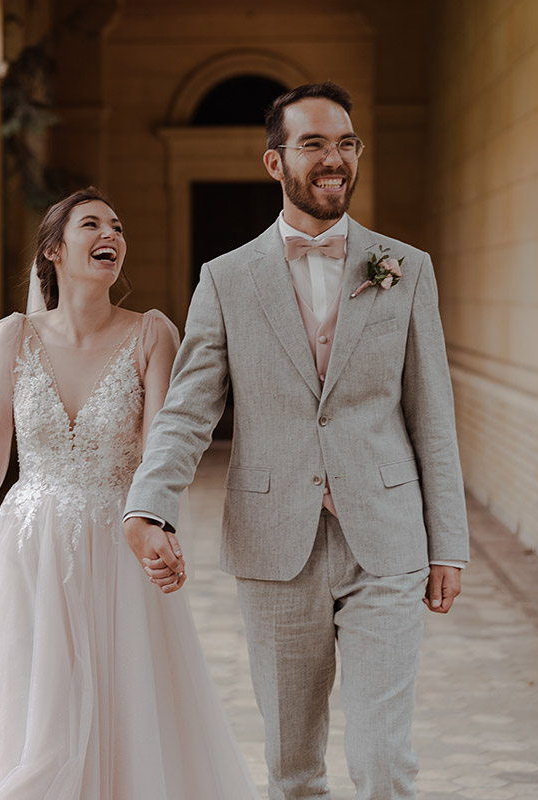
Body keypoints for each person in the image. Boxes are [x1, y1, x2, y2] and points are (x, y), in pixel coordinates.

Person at [124, 83, 470, 800]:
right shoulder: (225, 279)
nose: (334, 158)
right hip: (275, 543)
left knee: (384, 762)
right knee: (292, 768)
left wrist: (448, 544)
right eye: (313, 144)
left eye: (345, 143)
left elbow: (432, 414)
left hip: (389, 539)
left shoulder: (406, 268)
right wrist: (149, 505)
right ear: (275, 162)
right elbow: (189, 410)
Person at [0, 188, 259, 799]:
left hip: (118, 548)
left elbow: (162, 453)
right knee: (28, 710)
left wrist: (159, 525)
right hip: (26, 550)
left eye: (117, 224)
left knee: (121, 701)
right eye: (91, 224)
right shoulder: (12, 337)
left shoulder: (153, 334)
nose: (111, 233)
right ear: (54, 250)